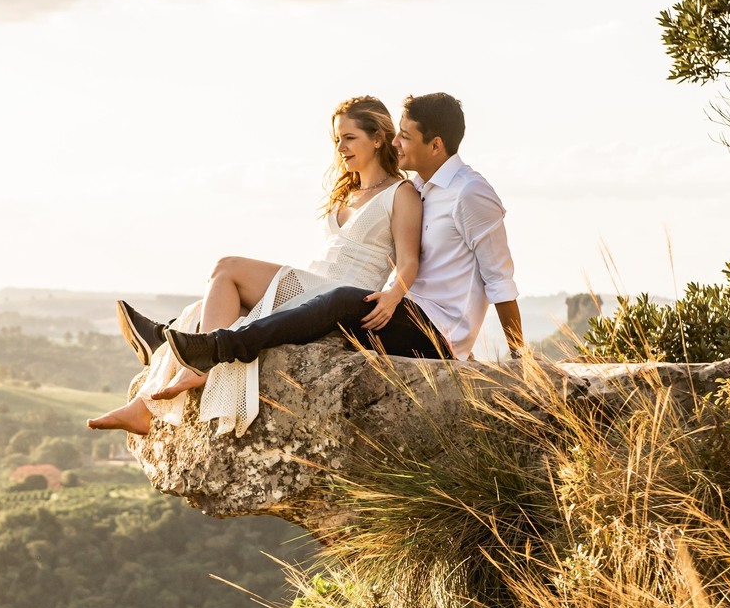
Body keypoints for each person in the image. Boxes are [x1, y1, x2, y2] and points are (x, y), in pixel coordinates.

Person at [87, 94, 441, 439]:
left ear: (378, 138)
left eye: (349, 138)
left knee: (227, 267)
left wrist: (393, 296)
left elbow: (409, 260)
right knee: (206, 306)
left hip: (341, 295)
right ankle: (142, 406)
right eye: (337, 139)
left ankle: (199, 360)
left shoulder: (401, 193)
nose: (341, 147)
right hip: (313, 285)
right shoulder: (345, 194)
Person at [145, 91, 522, 382]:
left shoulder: (471, 193)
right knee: (295, 297)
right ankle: (172, 339)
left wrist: (521, 358)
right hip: (404, 312)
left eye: (405, 136)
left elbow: (499, 278)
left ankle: (221, 346)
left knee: (337, 299)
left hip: (437, 334)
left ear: (436, 144)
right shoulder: (422, 188)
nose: (395, 143)